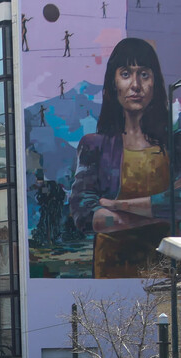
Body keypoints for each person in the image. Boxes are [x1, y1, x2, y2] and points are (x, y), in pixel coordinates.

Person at [70, 38, 174, 278]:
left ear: (155, 83)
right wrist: (160, 216)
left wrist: (117, 206)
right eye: (126, 74)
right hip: (111, 276)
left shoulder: (174, 145)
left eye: (144, 74)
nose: (135, 85)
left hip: (169, 277)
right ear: (113, 83)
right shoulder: (94, 146)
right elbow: (87, 217)